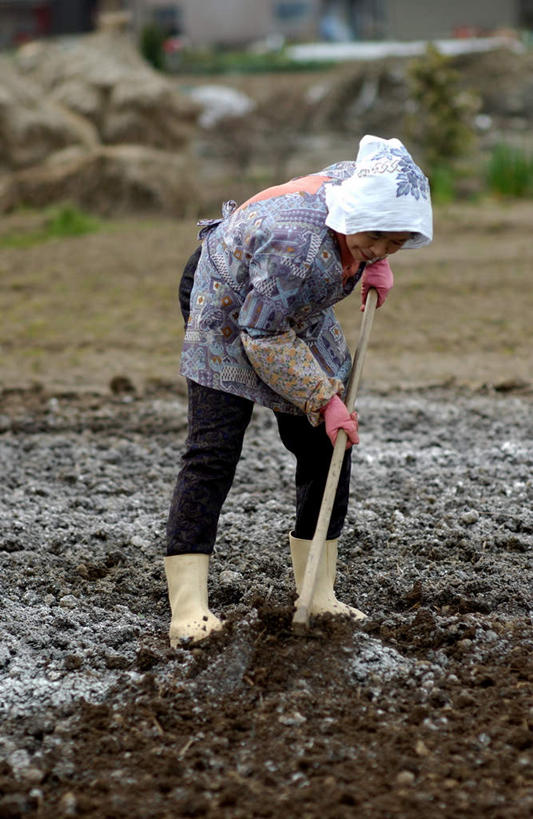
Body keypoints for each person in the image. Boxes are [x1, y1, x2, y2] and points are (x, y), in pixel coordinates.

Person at [165, 134, 433, 646]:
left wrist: (372, 258)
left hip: (293, 304)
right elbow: (262, 334)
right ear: (355, 212)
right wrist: (322, 399)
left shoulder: (360, 188)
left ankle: (319, 592)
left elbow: (354, 211)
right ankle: (190, 610)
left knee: (326, 444)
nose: (381, 247)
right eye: (375, 236)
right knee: (214, 449)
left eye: (396, 243)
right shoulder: (295, 244)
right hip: (226, 297)